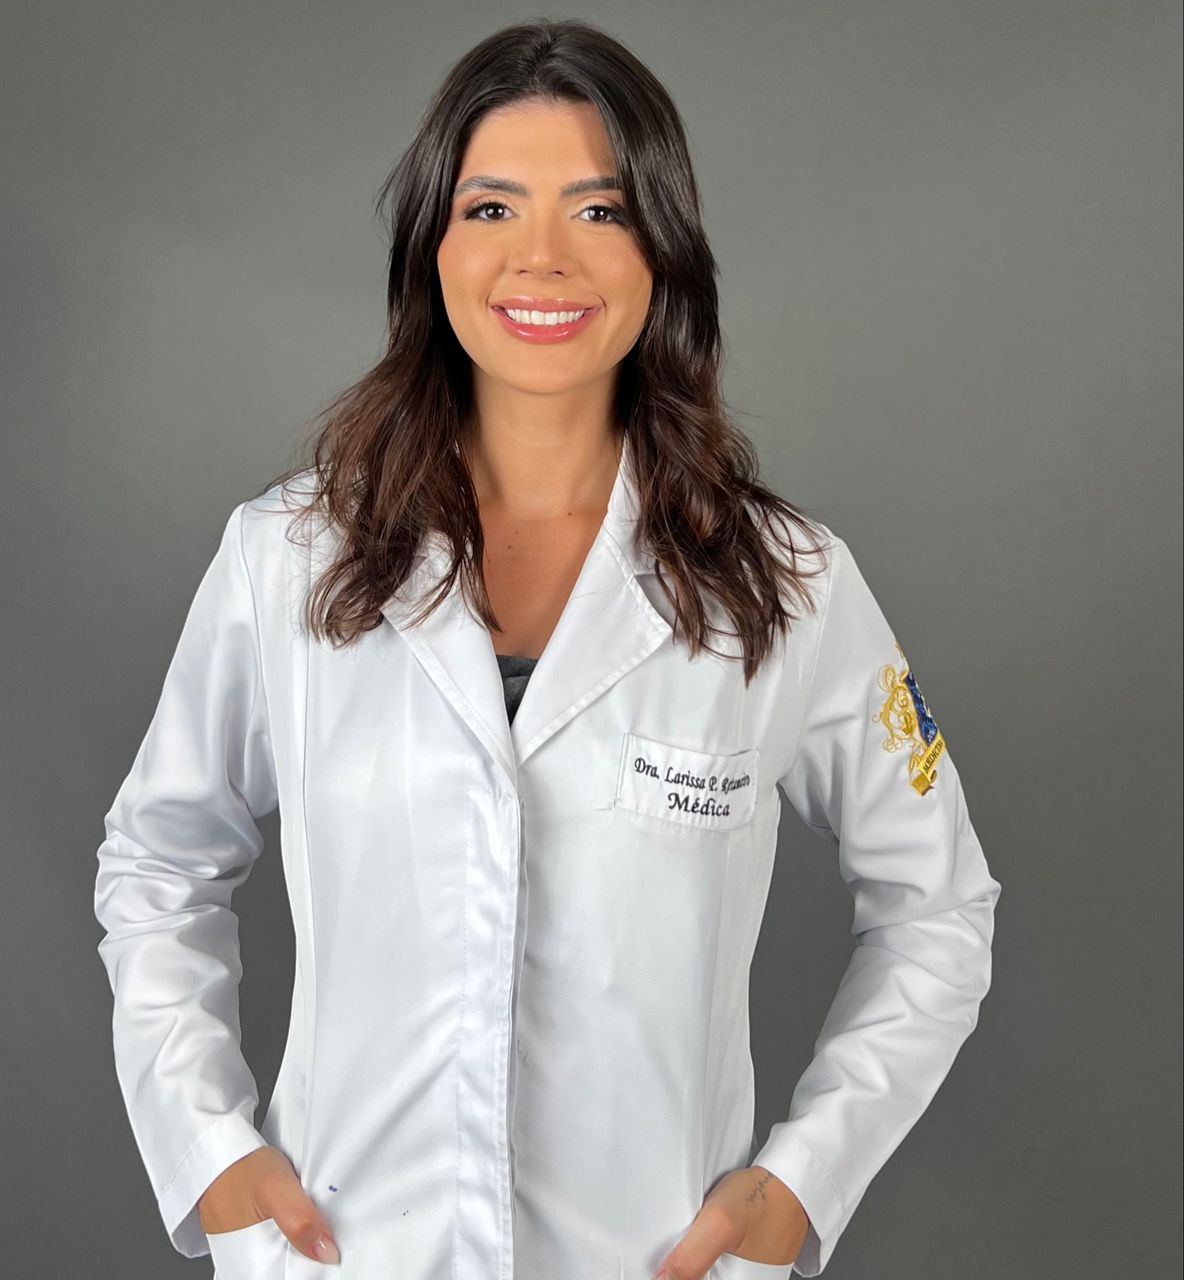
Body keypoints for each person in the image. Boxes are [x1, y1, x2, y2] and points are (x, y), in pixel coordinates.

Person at [93, 19, 1001, 1280]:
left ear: (661, 250)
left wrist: (806, 1178)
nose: (540, 257)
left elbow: (939, 905)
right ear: (433, 247)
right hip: (349, 1254)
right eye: (490, 208)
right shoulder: (285, 558)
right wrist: (207, 1144)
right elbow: (158, 858)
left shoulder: (785, 582)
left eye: (598, 210)